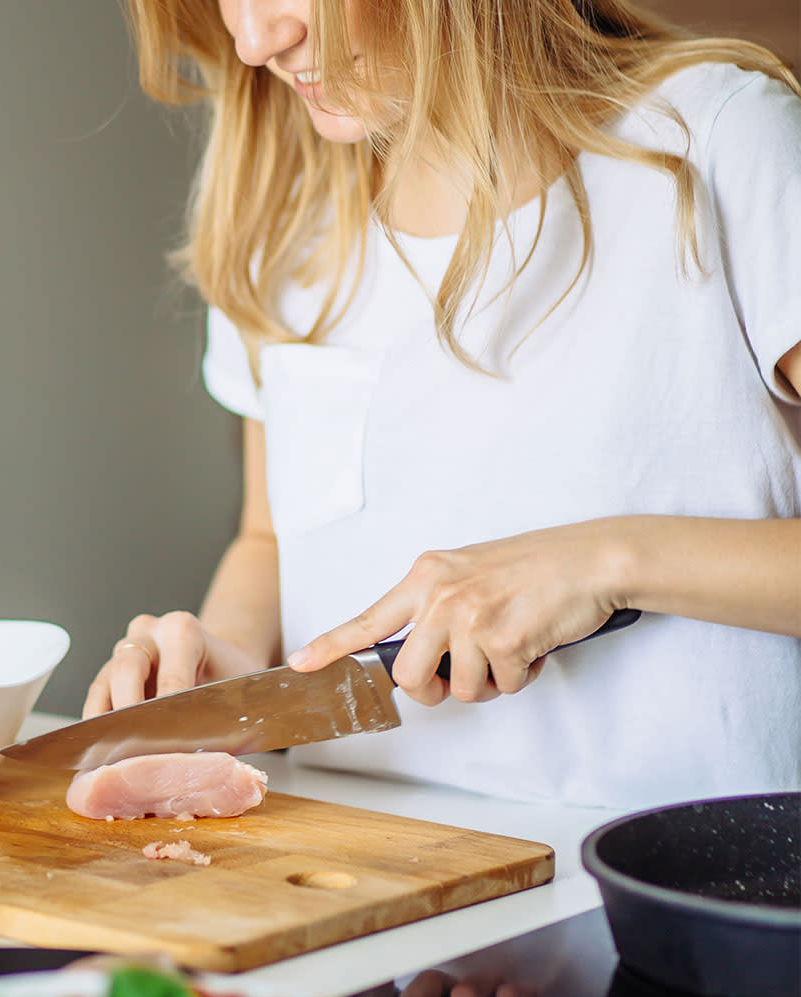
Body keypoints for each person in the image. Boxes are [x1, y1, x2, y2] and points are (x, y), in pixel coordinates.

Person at [85, 0, 801, 810]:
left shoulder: (720, 144)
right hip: (368, 876)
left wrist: (608, 563)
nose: (255, 41)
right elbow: (268, 539)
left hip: (686, 890)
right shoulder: (278, 211)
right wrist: (227, 661)